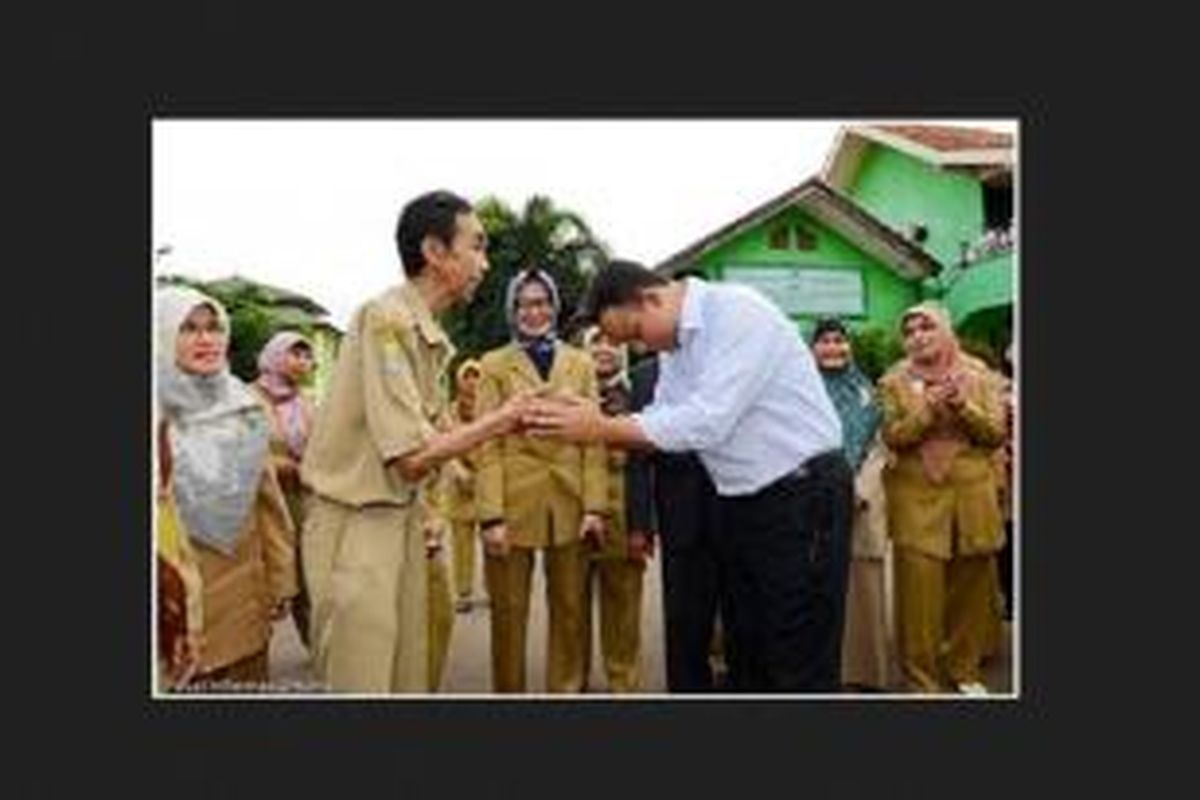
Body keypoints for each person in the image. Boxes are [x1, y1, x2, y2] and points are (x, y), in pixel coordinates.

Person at [525, 259, 852, 693]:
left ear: (652, 298)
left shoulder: (737, 313)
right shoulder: (677, 349)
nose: (641, 347)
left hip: (802, 497)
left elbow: (707, 420)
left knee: (795, 655)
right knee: (747, 648)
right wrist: (598, 417)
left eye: (637, 334)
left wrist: (601, 428)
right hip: (745, 506)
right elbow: (664, 416)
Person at [298, 190, 534, 694]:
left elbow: (437, 435)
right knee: (362, 679)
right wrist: (502, 420)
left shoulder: (424, 335)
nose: (485, 263)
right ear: (435, 251)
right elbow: (410, 457)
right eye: (477, 246)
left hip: (400, 522)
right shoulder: (386, 321)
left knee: (408, 676)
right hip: (356, 526)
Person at [156, 285, 297, 691]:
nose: (206, 339)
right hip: (179, 601)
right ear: (163, 335)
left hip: (243, 594)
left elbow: (267, 501)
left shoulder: (245, 405)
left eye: (214, 328)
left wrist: (282, 578)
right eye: (189, 328)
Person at [475, 268, 607, 694]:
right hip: (512, 505)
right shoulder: (494, 365)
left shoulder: (581, 362)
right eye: (525, 304)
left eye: (542, 302)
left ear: (554, 305)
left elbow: (594, 437)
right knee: (508, 613)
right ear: (513, 310)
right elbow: (486, 443)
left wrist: (594, 506)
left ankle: (563, 693)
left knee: (570, 610)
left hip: (570, 503)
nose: (535, 312)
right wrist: (490, 516)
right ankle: (509, 696)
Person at [878, 302, 1007, 695]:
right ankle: (922, 679)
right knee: (918, 595)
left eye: (926, 327)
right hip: (917, 496)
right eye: (910, 331)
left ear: (946, 330)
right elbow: (893, 437)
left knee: (971, 588)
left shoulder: (980, 375)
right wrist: (929, 412)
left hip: (972, 495)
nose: (917, 336)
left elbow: (994, 434)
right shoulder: (893, 381)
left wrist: (961, 407)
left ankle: (964, 670)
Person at [626, 339, 729, 693]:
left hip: (734, 506)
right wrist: (640, 523)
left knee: (739, 606)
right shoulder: (644, 376)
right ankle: (686, 691)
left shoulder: (726, 364)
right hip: (678, 513)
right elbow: (637, 457)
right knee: (684, 614)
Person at [810, 317, 891, 691]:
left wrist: (858, 487)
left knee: (862, 584)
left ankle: (863, 671)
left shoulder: (866, 392)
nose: (833, 348)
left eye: (839, 340)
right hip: (811, 502)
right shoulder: (802, 391)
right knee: (814, 585)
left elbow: (879, 449)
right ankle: (820, 669)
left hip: (860, 501)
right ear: (812, 349)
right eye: (824, 341)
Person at [579, 325, 647, 693]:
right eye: (596, 342)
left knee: (624, 604)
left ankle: (624, 682)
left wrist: (644, 523)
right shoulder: (569, 392)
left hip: (624, 510)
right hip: (575, 508)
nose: (604, 349)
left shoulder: (641, 392)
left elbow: (648, 462)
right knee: (570, 602)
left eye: (612, 342)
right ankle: (574, 682)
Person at [251, 331, 317, 648]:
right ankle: (250, 653)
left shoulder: (307, 402)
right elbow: (240, 452)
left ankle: (317, 646)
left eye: (307, 356)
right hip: (264, 500)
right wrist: (285, 466)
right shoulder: (248, 400)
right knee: (264, 576)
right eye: (295, 354)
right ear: (275, 355)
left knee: (310, 576)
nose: (303, 362)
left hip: (304, 501)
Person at [442, 358, 485, 613]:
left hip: (485, 483)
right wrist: (458, 470)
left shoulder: (491, 409)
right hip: (460, 485)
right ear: (459, 381)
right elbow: (446, 443)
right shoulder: (450, 411)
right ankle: (463, 592)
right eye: (467, 377)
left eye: (476, 376)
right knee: (461, 542)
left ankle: (494, 589)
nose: (472, 382)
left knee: (492, 540)